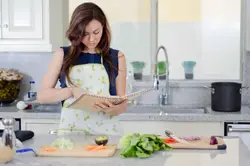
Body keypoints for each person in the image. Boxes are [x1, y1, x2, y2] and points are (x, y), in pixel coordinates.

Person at [37, 2, 128, 136]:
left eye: (96, 32)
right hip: (72, 133)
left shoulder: (117, 56)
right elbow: (42, 96)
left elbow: (122, 104)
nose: (92, 39)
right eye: (85, 34)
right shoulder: (62, 55)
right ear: (76, 32)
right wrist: (72, 91)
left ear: (103, 27)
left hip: (107, 134)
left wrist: (115, 109)